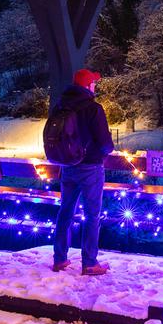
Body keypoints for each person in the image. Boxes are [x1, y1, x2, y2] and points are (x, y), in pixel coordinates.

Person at [52, 68, 114, 275]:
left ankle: (60, 259)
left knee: (65, 212)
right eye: (93, 83)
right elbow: (105, 143)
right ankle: (89, 263)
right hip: (90, 167)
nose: (95, 86)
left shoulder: (60, 105)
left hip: (67, 166)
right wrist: (102, 154)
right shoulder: (93, 108)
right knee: (92, 215)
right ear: (87, 86)